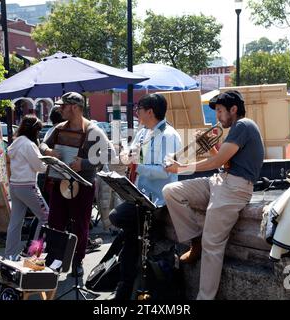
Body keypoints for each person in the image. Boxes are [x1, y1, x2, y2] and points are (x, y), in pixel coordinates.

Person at [162, 90, 264, 300]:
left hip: (235, 188)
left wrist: (180, 168)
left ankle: (204, 298)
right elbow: (225, 163)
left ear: (233, 109)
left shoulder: (244, 125)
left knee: (213, 243)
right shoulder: (236, 128)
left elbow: (217, 164)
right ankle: (194, 240)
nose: (217, 116)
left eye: (219, 110)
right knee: (171, 191)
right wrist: (209, 146)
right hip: (220, 181)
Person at [107, 93, 182, 300]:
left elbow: (165, 171)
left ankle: (125, 287)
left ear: (150, 111)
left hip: (157, 200)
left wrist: (137, 167)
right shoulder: (143, 133)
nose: (136, 113)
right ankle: (125, 287)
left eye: (138, 109)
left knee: (118, 218)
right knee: (130, 238)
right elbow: (133, 156)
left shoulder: (169, 136)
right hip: (140, 195)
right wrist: (125, 157)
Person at [40, 92, 117, 277]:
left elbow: (109, 154)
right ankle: (54, 260)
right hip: (60, 183)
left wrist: (83, 163)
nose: (60, 109)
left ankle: (77, 261)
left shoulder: (93, 131)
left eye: (63, 106)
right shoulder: (59, 128)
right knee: (55, 223)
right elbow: (42, 145)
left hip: (82, 186)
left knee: (80, 225)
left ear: (74, 107)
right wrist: (49, 151)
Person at [4, 115, 49, 259]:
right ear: (34, 131)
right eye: (38, 131)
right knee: (46, 217)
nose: (39, 134)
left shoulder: (16, 142)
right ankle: (33, 252)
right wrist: (50, 162)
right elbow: (41, 167)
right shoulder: (29, 145)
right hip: (28, 186)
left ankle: (10, 255)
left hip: (15, 186)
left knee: (15, 222)